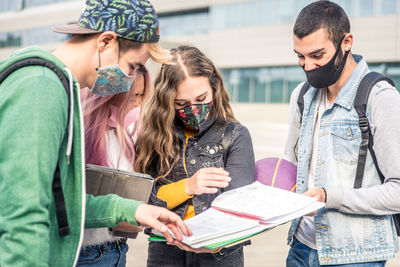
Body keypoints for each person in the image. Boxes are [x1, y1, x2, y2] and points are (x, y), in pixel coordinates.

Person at [0, 0, 191, 266]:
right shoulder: (42, 88)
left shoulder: (53, 84)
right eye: (133, 66)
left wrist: (133, 209)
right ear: (106, 42)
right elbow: (23, 215)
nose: (129, 77)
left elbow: (61, 205)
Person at [284, 1, 400, 266]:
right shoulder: (301, 97)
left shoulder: (380, 98)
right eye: (300, 57)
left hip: (356, 255)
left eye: (317, 55)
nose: (308, 66)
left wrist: (330, 196)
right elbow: (290, 168)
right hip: (301, 247)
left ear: (346, 41)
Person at [134, 45, 255, 267]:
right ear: (167, 101)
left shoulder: (235, 135)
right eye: (182, 104)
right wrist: (188, 187)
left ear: (214, 88)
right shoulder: (154, 136)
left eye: (201, 98)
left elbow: (240, 209)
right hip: (166, 250)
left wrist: (211, 242)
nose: (194, 109)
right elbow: (143, 200)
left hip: (219, 255)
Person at [78, 67, 149, 266]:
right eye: (134, 96)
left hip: (118, 249)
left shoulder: (123, 136)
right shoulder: (79, 137)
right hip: (87, 255)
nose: (138, 104)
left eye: (142, 96)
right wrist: (119, 215)